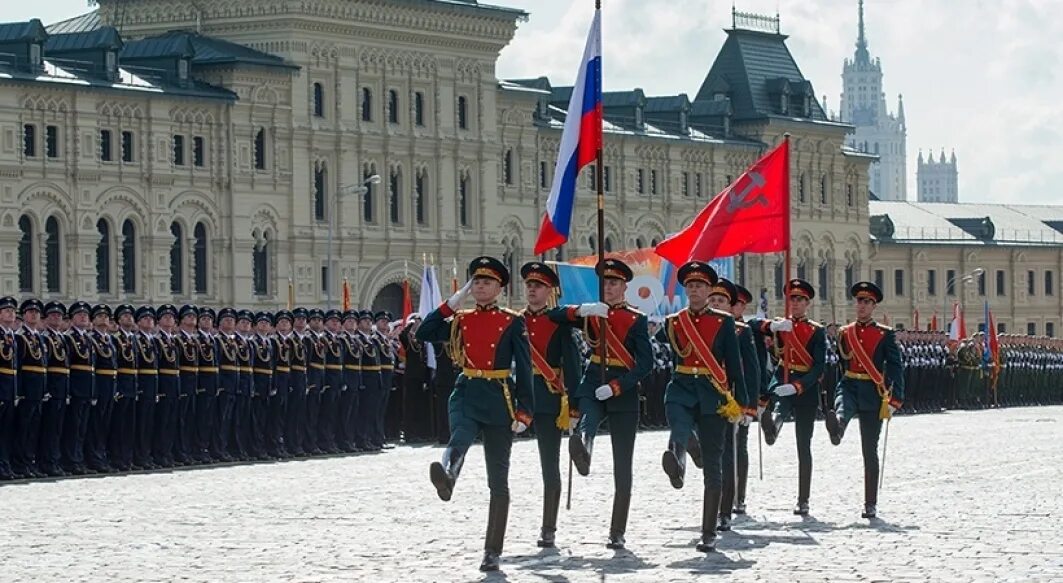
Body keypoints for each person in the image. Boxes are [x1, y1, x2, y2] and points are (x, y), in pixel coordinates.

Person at [416, 256, 534, 572]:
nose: (480, 287)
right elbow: (423, 332)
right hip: (466, 391)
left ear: (499, 288)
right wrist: (452, 303)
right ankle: (448, 475)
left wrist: (525, 411)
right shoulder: (461, 318)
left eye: (487, 282)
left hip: (499, 397)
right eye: (476, 282)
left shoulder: (512, 321)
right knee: (460, 436)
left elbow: (524, 368)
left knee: (498, 478)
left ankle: (492, 550)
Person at [550, 257, 652, 550]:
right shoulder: (591, 313)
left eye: (614, 282)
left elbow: (645, 364)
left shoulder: (636, 319)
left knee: (623, 466)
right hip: (594, 380)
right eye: (605, 282)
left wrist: (618, 386)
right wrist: (580, 310)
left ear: (624, 286)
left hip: (623, 390)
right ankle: (583, 448)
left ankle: (617, 530)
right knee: (587, 422)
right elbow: (553, 316)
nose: (609, 287)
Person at [660, 265, 749, 551]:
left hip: (713, 395)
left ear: (709, 290)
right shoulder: (674, 322)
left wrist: (745, 405)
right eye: (690, 286)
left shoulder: (724, 322)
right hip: (682, 387)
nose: (695, 290)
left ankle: (709, 530)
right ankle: (681, 455)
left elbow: (735, 366)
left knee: (714, 465)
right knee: (677, 423)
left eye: (700, 286)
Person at [824, 281, 905, 519]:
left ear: (874, 306)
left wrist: (895, 400)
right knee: (841, 409)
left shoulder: (885, 334)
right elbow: (841, 364)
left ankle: (870, 503)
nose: (861, 305)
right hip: (849, 384)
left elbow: (896, 367)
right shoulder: (844, 332)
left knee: (869, 450)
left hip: (873, 392)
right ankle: (837, 429)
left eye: (866, 302)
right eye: (859, 301)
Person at [752, 278, 826, 516]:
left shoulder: (816, 331)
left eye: (799, 300)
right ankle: (772, 428)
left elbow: (819, 367)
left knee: (803, 445)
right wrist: (772, 327)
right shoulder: (779, 324)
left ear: (807, 303)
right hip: (782, 379)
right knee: (779, 411)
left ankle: (803, 499)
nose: (794, 303)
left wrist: (799, 386)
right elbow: (751, 325)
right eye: (792, 299)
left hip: (805, 387)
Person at [520, 262, 581, 548]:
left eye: (539, 286)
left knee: (549, 464)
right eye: (530, 285)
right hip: (514, 399)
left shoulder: (559, 322)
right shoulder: (513, 321)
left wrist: (574, 405)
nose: (533, 290)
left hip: (547, 399)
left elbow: (572, 364)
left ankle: (548, 526)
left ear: (549, 291)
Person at [721, 282, 760, 524]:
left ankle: (739, 495)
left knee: (738, 446)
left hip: (738, 395)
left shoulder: (743, 331)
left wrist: (751, 406)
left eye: (735, 304)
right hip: (716, 393)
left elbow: (753, 370)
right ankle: (724, 497)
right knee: (721, 448)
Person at [109, 304, 139, 471]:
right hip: (121, 385)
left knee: (129, 426)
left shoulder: (133, 339)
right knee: (119, 425)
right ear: (119, 320)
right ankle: (117, 457)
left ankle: (127, 458)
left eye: (130, 315)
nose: (128, 318)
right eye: (125, 316)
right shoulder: (115, 339)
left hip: (132, 386)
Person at [0, 296, 17, 480]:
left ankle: (4, 464)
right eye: (6, 311)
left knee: (7, 431)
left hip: (10, 388)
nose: (11, 313)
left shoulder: (10, 335)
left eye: (12, 311)